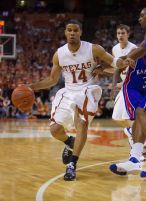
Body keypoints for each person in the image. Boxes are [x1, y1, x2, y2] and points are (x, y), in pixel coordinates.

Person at [30, 20, 127, 181]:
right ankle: (69, 142)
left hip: (86, 89)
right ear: (65, 33)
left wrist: (123, 61)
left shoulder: (93, 48)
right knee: (54, 130)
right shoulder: (59, 54)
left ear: (80, 32)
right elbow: (52, 80)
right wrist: (31, 86)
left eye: (75, 30)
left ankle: (72, 165)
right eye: (69, 30)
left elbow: (113, 62)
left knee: (81, 123)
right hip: (68, 91)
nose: (72, 33)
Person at [109, 8, 146, 177]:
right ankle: (135, 159)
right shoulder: (120, 47)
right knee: (140, 112)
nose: (139, 19)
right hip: (137, 85)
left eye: (142, 15)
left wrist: (125, 60)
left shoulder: (136, 47)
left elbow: (138, 53)